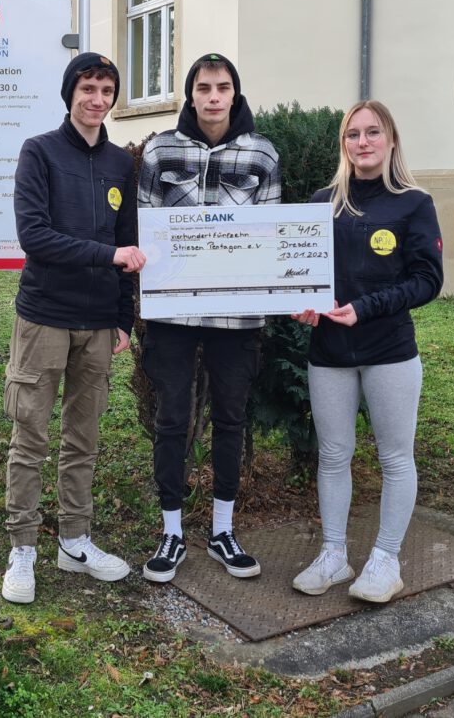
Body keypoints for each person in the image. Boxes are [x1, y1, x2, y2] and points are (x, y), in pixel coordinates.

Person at [0, 52, 147, 604]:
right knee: (30, 435)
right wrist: (109, 257)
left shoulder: (118, 164)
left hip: (99, 324)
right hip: (44, 317)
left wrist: (122, 317)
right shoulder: (39, 152)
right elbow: (35, 237)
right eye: (88, 87)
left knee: (83, 438)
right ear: (70, 93)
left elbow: (130, 242)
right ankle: (22, 548)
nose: (97, 99)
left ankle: (75, 540)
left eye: (107, 89)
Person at [291, 100, 443, 603]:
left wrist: (366, 307)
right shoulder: (322, 202)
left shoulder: (413, 203)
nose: (363, 142)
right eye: (353, 134)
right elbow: (304, 273)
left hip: (389, 350)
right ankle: (334, 555)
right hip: (329, 350)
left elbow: (427, 281)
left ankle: (385, 560)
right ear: (344, 145)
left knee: (395, 458)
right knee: (333, 456)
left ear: (391, 139)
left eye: (372, 132)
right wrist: (304, 305)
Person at [138, 52, 281, 583]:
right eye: (204, 87)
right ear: (190, 94)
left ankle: (223, 530)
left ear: (235, 93)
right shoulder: (159, 150)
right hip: (174, 311)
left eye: (223, 86)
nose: (213, 96)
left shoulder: (262, 154)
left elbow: (269, 233)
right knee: (173, 418)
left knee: (230, 419)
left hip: (237, 314)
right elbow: (147, 225)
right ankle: (171, 532)